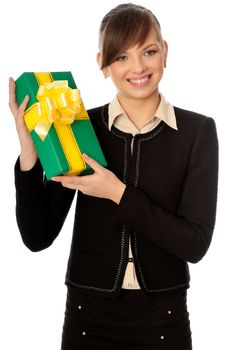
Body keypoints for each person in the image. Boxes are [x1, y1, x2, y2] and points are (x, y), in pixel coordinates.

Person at [9, 3, 218, 350]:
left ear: (165, 52)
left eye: (148, 51)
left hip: (164, 319)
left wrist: (118, 193)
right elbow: (37, 236)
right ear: (102, 64)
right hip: (87, 316)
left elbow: (194, 244)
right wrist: (29, 153)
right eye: (121, 57)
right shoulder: (79, 127)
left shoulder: (197, 132)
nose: (137, 68)